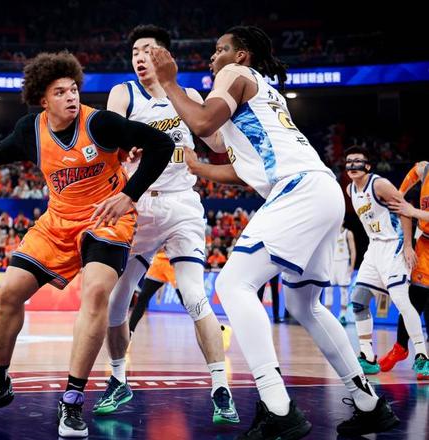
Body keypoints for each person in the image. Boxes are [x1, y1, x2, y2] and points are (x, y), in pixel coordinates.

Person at [151, 25, 399, 438]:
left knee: (232, 285)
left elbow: (204, 120)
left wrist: (170, 83)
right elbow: (235, 160)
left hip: (299, 190)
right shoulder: (262, 93)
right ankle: (369, 403)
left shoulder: (234, 74)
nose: (213, 57)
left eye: (220, 49)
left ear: (241, 55)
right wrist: (197, 166)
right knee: (306, 304)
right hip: (321, 190)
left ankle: (278, 407)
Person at [0, 51, 174, 438]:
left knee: (96, 292)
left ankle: (72, 399)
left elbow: (161, 144)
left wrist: (129, 195)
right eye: (60, 92)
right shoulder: (30, 130)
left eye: (73, 90)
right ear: (43, 100)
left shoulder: (100, 123)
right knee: (8, 293)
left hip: (106, 218)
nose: (71, 97)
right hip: (58, 222)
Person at [96, 25, 238, 424]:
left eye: (148, 50)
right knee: (116, 301)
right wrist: (121, 151)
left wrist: (232, 124)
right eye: (135, 52)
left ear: (165, 57)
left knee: (194, 296)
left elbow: (217, 144)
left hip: (181, 205)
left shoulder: (189, 95)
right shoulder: (124, 93)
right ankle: (118, 379)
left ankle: (221, 388)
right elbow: (107, 145)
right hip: (137, 204)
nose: (139, 57)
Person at [344, 146, 428, 377]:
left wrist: (408, 245)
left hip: (394, 244)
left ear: (368, 166)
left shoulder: (379, 185)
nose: (352, 165)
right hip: (374, 248)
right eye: (349, 161)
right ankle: (367, 356)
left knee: (402, 301)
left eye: (357, 161)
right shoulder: (350, 190)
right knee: (358, 300)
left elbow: (404, 210)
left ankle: (422, 356)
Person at [382, 161, 429, 380]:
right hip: (424, 244)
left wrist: (413, 211)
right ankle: (401, 347)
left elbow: (413, 211)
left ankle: (422, 358)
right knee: (413, 300)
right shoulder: (426, 169)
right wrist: (400, 194)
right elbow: (417, 169)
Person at [327, 223, 356, 325]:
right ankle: (328, 315)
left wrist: (352, 266)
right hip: (332, 263)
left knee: (343, 290)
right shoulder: (330, 232)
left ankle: (343, 315)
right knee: (328, 289)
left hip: (343, 262)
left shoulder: (348, 233)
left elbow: (353, 250)